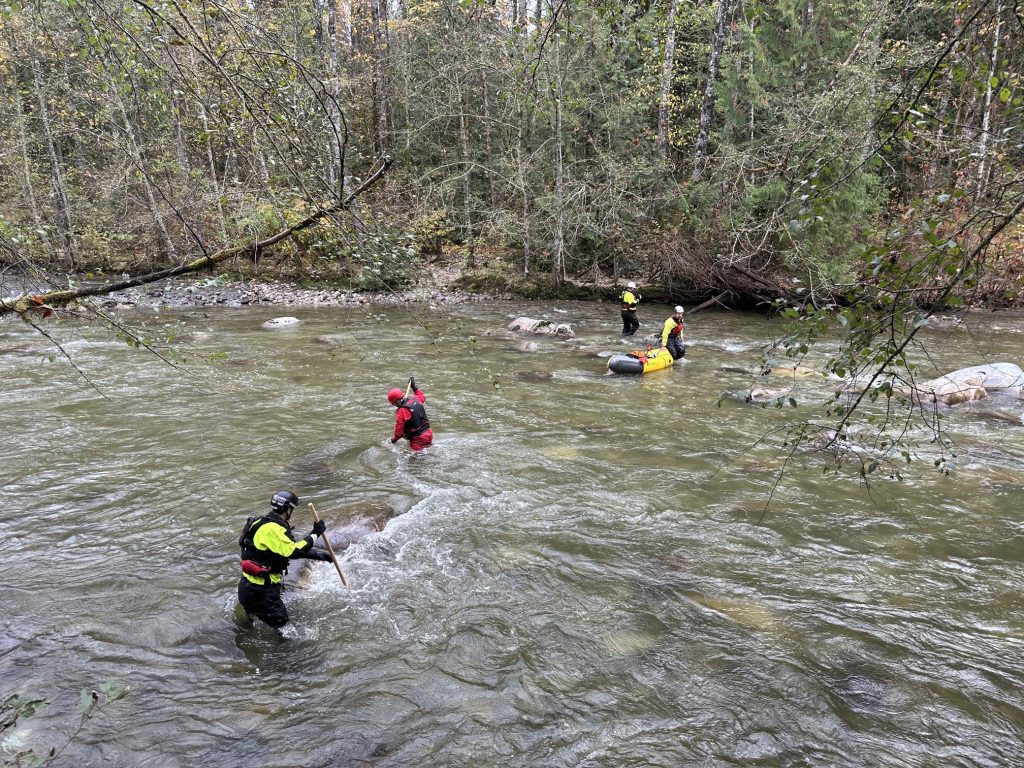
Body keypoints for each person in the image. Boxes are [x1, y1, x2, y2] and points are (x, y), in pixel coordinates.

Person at [237, 490, 331, 630]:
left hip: (246, 588)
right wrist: (315, 534)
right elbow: (294, 551)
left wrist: (319, 555)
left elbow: (281, 550)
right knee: (285, 631)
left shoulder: (257, 522)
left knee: (247, 627)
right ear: (288, 509)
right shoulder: (273, 529)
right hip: (263, 592)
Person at [388, 377, 433, 451]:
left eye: (393, 403)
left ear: (396, 402)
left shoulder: (401, 411)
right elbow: (422, 396)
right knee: (427, 453)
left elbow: (399, 429)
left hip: (419, 438)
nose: (393, 405)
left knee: (414, 460)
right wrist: (414, 387)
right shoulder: (415, 399)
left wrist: (395, 439)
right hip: (429, 432)